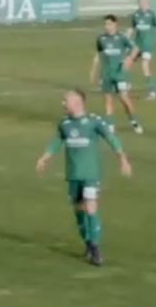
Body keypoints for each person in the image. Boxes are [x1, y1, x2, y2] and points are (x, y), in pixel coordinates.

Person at [36, 88, 132, 267]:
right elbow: (57, 141)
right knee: (79, 212)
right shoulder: (64, 123)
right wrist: (45, 157)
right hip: (73, 175)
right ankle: (88, 243)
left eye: (66, 101)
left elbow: (111, 138)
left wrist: (122, 158)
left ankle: (96, 249)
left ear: (77, 103)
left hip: (90, 174)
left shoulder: (93, 122)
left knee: (91, 207)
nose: (63, 104)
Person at [91, 15, 143, 133]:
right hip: (106, 74)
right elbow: (99, 55)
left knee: (124, 98)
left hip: (120, 74)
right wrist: (94, 71)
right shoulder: (101, 39)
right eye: (105, 24)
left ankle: (134, 121)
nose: (107, 26)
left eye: (109, 24)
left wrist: (130, 59)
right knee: (108, 100)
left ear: (115, 24)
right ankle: (110, 125)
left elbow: (136, 48)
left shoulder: (121, 38)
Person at [129, 0, 156, 99]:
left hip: (148, 45)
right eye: (141, 2)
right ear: (138, 3)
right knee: (127, 62)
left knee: (144, 65)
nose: (143, 3)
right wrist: (125, 39)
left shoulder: (152, 14)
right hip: (137, 44)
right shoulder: (136, 15)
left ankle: (152, 91)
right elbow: (132, 29)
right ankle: (126, 84)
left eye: (145, 1)